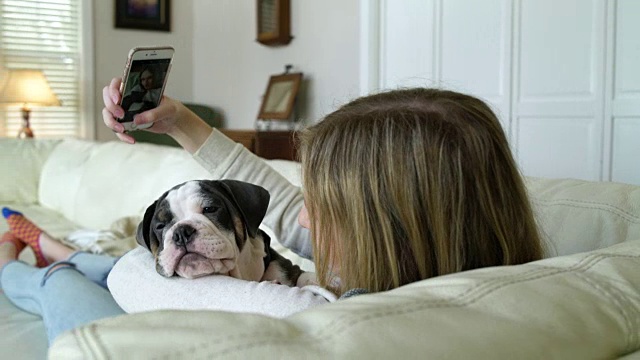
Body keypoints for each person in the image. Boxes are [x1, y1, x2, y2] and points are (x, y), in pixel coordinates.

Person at [0, 77, 544, 345]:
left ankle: (19, 264)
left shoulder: (363, 317)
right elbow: (277, 206)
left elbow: (143, 279)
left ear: (392, 222)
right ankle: (61, 249)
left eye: (325, 204)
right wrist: (181, 123)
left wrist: (136, 262)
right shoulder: (425, 262)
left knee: (67, 282)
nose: (303, 220)